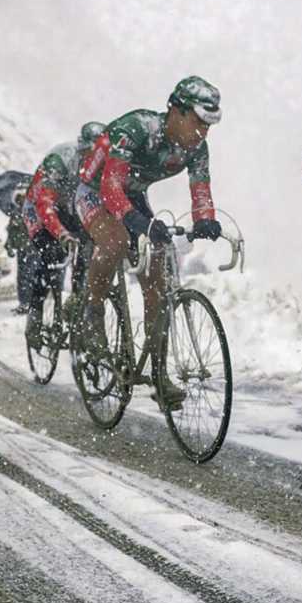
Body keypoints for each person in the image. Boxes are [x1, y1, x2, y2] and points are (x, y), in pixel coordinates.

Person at [76, 78, 224, 407]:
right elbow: (110, 187)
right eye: (198, 121)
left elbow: (200, 189)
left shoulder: (197, 148)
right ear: (176, 110)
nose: (202, 132)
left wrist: (205, 220)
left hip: (132, 193)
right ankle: (93, 311)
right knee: (114, 240)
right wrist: (135, 221)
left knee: (159, 265)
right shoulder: (136, 128)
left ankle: (158, 372)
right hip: (95, 190)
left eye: (209, 125)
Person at [22, 121, 105, 348]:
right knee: (50, 257)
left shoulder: (102, 163)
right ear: (82, 149)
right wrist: (61, 235)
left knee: (85, 257)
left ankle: (76, 308)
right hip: (40, 209)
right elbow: (45, 205)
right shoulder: (59, 160)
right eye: (91, 154)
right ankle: (35, 318)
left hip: (70, 208)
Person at [5, 189, 34, 313]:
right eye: (19, 198)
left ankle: (30, 304)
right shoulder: (15, 214)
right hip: (21, 250)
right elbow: (10, 232)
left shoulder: (33, 212)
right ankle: (23, 303)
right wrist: (9, 247)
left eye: (23, 197)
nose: (21, 200)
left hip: (33, 250)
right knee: (21, 277)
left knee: (30, 276)